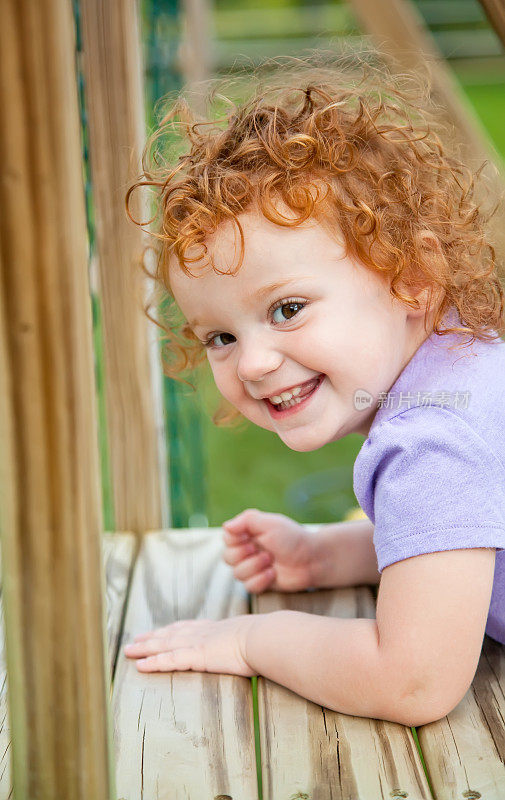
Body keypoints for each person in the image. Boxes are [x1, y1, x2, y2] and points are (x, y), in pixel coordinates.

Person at [123, 55, 505, 726]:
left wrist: (250, 639)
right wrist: (327, 552)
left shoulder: (432, 435)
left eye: (285, 309)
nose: (252, 364)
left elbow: (411, 681)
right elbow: (469, 538)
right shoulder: (464, 368)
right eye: (220, 337)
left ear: (411, 277)